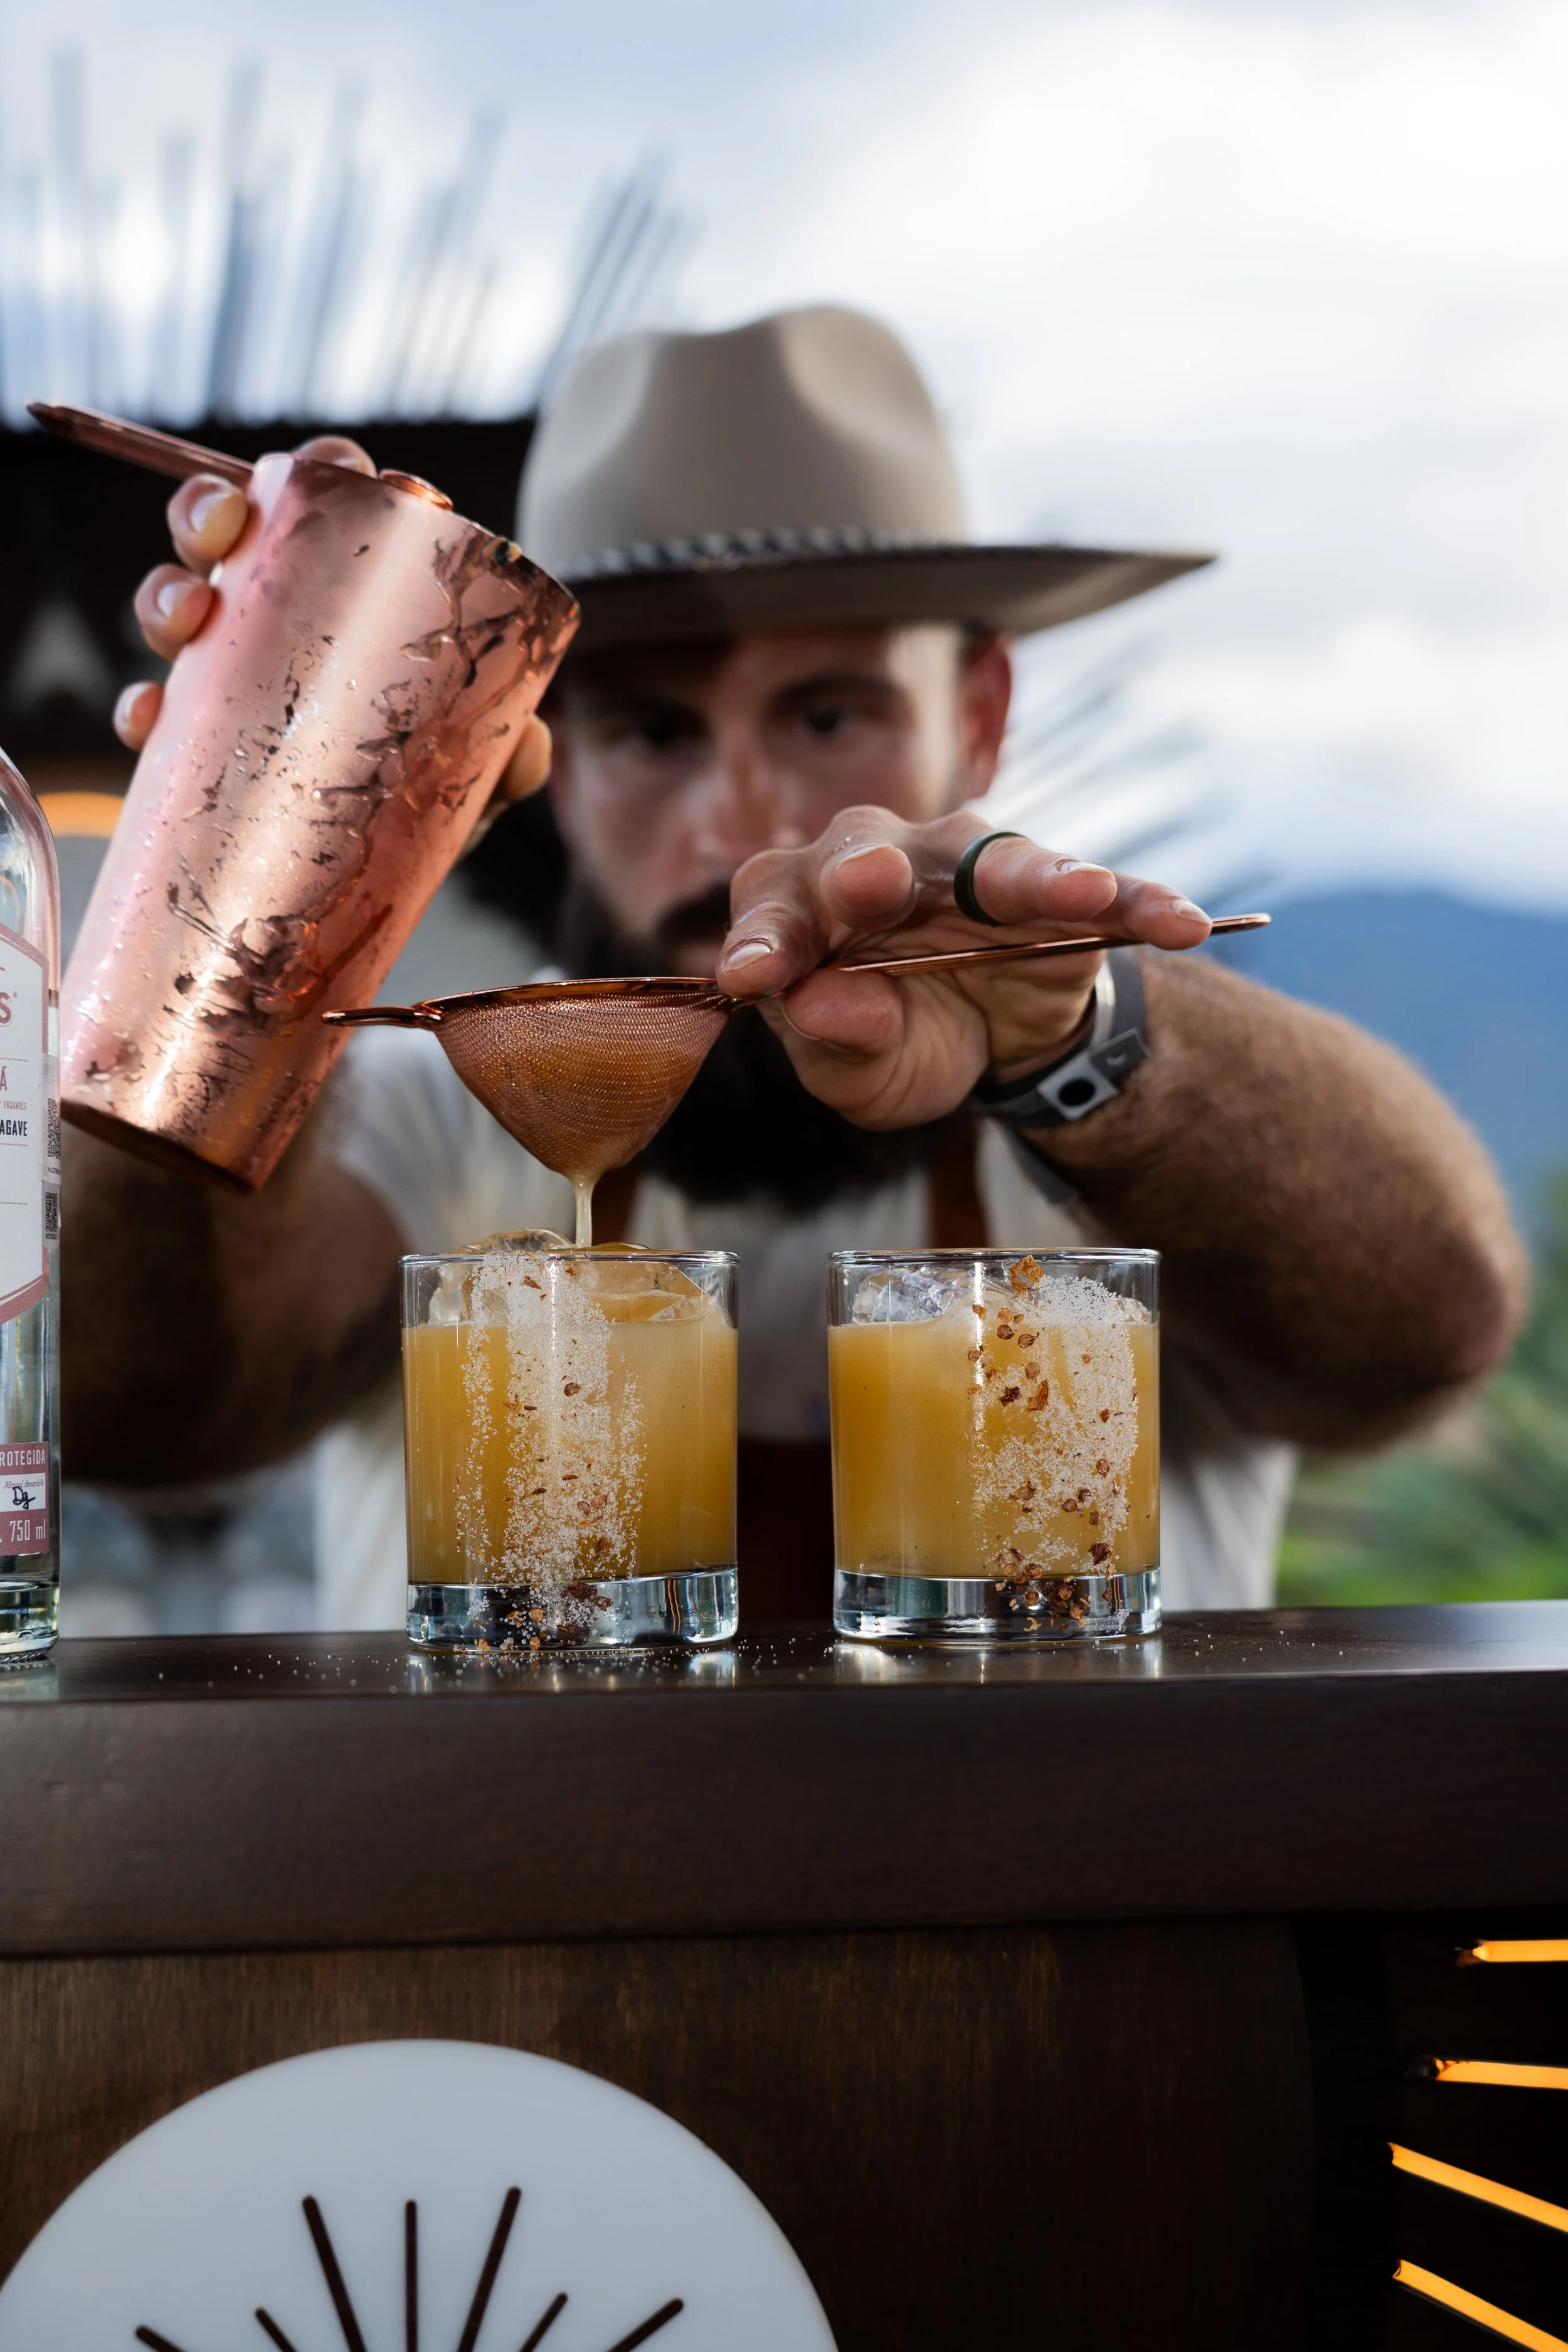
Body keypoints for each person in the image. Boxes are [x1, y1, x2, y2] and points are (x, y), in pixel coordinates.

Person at [65, 306, 1526, 1625]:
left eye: (828, 719)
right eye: (652, 734)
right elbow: (140, 1409)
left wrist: (1081, 1033)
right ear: (554, 767)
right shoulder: (435, 1124)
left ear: (981, 712)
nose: (743, 824)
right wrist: (263, 891)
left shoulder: (1156, 1147)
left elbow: (1429, 1324)